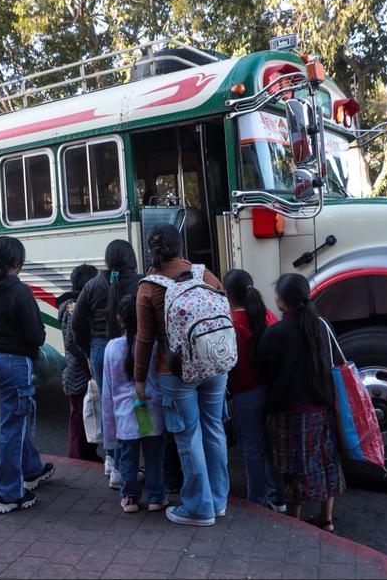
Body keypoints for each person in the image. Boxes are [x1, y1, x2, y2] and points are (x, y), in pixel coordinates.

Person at [134, 223, 228, 527]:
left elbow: (144, 340)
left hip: (174, 371)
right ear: (180, 245)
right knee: (213, 428)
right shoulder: (205, 274)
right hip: (215, 363)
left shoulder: (149, 287)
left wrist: (138, 380)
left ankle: (199, 508)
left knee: (189, 435)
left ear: (151, 249)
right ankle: (218, 500)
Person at [0, 236, 54, 514]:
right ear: (16, 262)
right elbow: (36, 336)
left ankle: (32, 470)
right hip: (13, 365)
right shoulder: (19, 291)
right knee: (12, 428)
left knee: (10, 423)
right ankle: (8, 495)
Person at [256, 273, 344, 531]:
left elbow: (263, 368)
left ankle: (294, 523)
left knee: (295, 469)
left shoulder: (275, 333)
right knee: (326, 461)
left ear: (281, 302)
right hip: (323, 406)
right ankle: (326, 519)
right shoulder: (322, 325)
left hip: (289, 411)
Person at [72, 239, 142, 487]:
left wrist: (88, 352)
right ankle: (134, 460)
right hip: (133, 346)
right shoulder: (139, 283)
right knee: (137, 400)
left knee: (109, 405)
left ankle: (112, 461)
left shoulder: (93, 285)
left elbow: (76, 323)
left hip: (101, 350)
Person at [222, 269, 286, 512]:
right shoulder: (267, 315)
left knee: (252, 447)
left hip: (245, 392)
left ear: (227, 295)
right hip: (271, 390)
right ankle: (278, 497)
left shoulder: (231, 323)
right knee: (273, 445)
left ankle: (257, 500)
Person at [102, 294, 168, 513]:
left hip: (125, 414)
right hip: (151, 408)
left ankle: (129, 497)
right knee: (154, 455)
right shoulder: (155, 344)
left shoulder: (112, 347)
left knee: (128, 457)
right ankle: (156, 498)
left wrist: (108, 431)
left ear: (120, 318)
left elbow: (108, 391)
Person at [57, 263, 100, 461]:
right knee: (80, 418)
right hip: (78, 373)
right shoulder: (74, 307)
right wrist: (90, 358)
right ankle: (79, 459)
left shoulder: (73, 304)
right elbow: (73, 343)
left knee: (86, 415)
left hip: (77, 372)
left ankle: (86, 455)